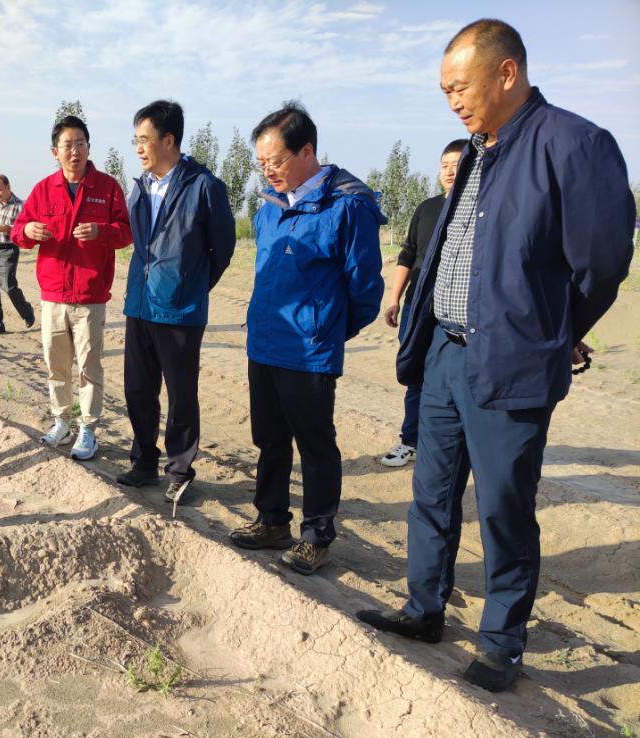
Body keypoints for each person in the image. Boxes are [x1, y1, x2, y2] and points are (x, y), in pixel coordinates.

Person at [357, 19, 635, 692]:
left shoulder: (574, 144)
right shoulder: (480, 149)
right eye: (444, 91)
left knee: (504, 508)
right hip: (444, 353)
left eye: (459, 87)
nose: (452, 101)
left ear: (506, 73)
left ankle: (501, 645)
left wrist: (552, 330)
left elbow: (602, 263)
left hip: (512, 361)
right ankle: (423, 608)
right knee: (431, 493)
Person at [228, 102, 385, 574]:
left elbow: (365, 289)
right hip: (265, 344)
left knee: (315, 445)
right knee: (269, 439)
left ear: (307, 151)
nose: (268, 171)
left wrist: (326, 329)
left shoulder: (347, 207)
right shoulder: (269, 208)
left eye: (275, 161)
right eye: (261, 163)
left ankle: (316, 535)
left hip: (309, 351)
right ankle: (271, 520)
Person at [118, 100, 235, 503]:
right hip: (140, 304)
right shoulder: (141, 186)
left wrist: (190, 285)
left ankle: (180, 471)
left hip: (180, 310)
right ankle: (143, 461)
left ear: (169, 140)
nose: (138, 147)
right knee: (137, 388)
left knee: (181, 394)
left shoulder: (205, 187)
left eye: (144, 139)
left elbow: (223, 249)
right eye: (135, 140)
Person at [11, 115, 132, 461]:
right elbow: (19, 231)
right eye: (67, 145)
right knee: (56, 365)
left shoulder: (107, 188)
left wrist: (101, 232)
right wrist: (28, 231)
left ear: (89, 148)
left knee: (90, 367)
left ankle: (88, 429)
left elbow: (126, 232)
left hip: (89, 297)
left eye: (80, 143)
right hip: (53, 296)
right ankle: (61, 422)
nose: (74, 151)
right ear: (55, 152)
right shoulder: (43, 189)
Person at [379, 139, 468, 468]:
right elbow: (407, 255)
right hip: (418, 308)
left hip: (456, 314)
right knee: (415, 373)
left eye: (457, 165)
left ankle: (454, 447)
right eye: (445, 165)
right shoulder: (427, 208)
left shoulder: (477, 213)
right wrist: (394, 300)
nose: (449, 171)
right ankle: (411, 441)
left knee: (455, 381)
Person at [0, 174, 35, 334]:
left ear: (8, 187)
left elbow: (25, 229)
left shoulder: (19, 205)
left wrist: (10, 229)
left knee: (8, 286)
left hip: (8, 250)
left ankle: (27, 312)